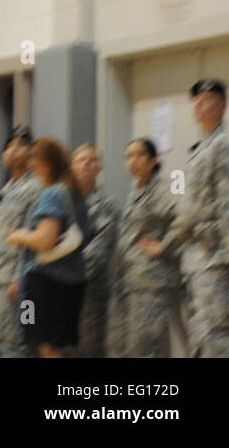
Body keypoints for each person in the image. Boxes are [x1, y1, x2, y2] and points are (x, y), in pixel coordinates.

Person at [6, 138, 94, 358]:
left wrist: (19, 235)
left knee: (46, 346)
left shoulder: (52, 194)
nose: (30, 167)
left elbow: (45, 240)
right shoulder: (75, 195)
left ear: (45, 163)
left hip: (45, 284)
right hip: (69, 282)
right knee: (52, 344)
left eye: (33, 161)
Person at [165, 78, 229, 357]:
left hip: (214, 258)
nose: (199, 104)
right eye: (196, 100)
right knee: (201, 334)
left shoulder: (223, 144)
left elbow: (227, 203)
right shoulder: (198, 151)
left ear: (223, 105)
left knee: (216, 335)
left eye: (207, 99)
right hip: (195, 259)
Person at [0, 126, 41, 357]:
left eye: (22, 145)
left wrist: (21, 279)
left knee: (19, 344)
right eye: (10, 145)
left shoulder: (37, 189)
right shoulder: (5, 191)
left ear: (33, 153)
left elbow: (34, 238)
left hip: (17, 282)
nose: (14, 150)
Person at [109, 138, 180, 358]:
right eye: (128, 156)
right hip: (130, 281)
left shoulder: (161, 189)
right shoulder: (136, 190)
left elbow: (182, 222)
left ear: (153, 160)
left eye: (139, 155)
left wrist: (163, 247)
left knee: (146, 349)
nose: (133, 161)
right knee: (128, 348)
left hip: (151, 281)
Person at [70, 143, 118, 357]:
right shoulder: (61, 202)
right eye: (81, 160)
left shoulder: (106, 205)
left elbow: (100, 248)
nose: (86, 165)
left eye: (92, 160)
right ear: (72, 167)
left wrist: (69, 273)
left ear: (99, 168)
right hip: (59, 290)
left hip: (90, 291)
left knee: (89, 349)